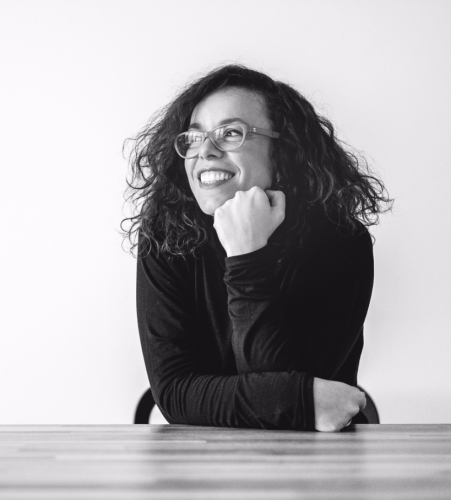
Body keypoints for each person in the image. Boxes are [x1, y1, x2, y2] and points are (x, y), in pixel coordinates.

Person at [123, 65, 392, 432]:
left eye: (230, 133)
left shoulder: (341, 243)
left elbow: (286, 418)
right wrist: (302, 399)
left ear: (283, 151)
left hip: (313, 461)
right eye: (194, 138)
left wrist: (246, 254)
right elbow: (173, 393)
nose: (205, 151)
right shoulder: (165, 236)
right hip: (200, 460)